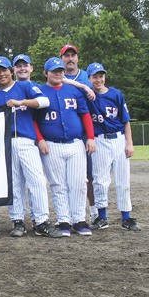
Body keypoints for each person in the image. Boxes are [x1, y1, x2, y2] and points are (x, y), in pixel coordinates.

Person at [0, 56, 63, 238]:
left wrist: (21, 102)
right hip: (6, 143)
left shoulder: (24, 87)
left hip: (26, 140)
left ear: (11, 71)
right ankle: (17, 221)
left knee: (37, 180)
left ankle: (41, 221)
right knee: (14, 183)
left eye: (4, 69)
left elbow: (45, 101)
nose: (2, 73)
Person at [34, 57, 96, 237]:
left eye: (60, 71)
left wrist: (90, 138)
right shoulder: (39, 92)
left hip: (76, 143)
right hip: (51, 145)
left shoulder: (73, 90)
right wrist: (40, 139)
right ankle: (64, 220)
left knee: (78, 183)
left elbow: (85, 115)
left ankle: (79, 219)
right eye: (53, 71)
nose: (58, 74)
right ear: (46, 73)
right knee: (58, 184)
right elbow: (33, 120)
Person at [85, 63, 141, 231]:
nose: (98, 79)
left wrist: (129, 143)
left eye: (101, 75)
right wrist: (84, 87)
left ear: (105, 77)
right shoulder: (87, 96)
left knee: (123, 181)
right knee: (100, 181)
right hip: (99, 141)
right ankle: (102, 218)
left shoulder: (116, 94)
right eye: (94, 76)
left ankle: (126, 217)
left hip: (118, 140)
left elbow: (126, 120)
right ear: (89, 79)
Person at [60, 44, 98, 222]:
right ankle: (68, 213)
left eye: (72, 55)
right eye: (66, 56)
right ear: (62, 59)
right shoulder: (57, 76)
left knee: (90, 175)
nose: (69, 58)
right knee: (67, 178)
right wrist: (82, 87)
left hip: (87, 132)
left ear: (77, 58)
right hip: (66, 134)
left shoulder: (86, 77)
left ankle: (94, 211)